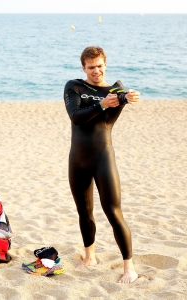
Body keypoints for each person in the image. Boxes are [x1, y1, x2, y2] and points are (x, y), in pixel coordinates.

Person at [63, 46, 140, 284]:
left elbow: (117, 105)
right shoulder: (74, 86)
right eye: (90, 67)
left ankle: (129, 268)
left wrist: (126, 98)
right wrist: (101, 104)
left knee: (113, 212)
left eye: (99, 66)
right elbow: (76, 116)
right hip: (78, 159)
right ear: (83, 67)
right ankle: (90, 256)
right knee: (83, 211)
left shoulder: (115, 92)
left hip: (103, 158)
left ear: (105, 64)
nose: (96, 71)